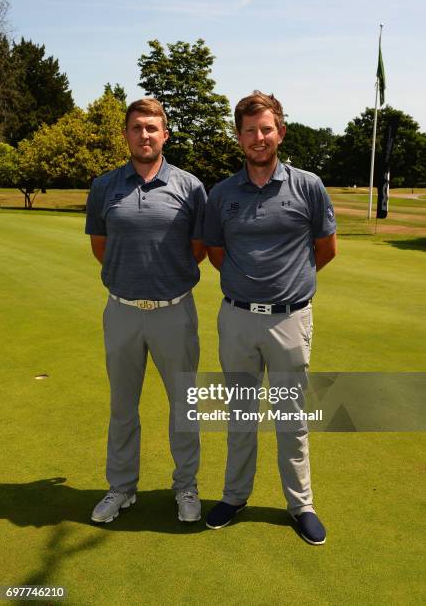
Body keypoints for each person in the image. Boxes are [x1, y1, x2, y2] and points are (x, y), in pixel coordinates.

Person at [203, 91, 336, 545]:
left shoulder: (308, 185)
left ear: (280, 130)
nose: (258, 138)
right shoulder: (221, 193)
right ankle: (235, 495)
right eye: (249, 131)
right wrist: (250, 287)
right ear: (238, 137)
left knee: (290, 417)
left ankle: (301, 504)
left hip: (290, 320)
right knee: (240, 412)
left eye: (266, 129)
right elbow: (217, 254)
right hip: (237, 319)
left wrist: (287, 286)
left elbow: (326, 248)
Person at [85, 98, 207, 523]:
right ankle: (121, 487)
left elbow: (198, 249)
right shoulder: (104, 186)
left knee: (184, 406)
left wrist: (166, 279)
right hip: (121, 311)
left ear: (165, 135)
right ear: (126, 134)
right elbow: (102, 246)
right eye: (137, 128)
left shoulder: (190, 186)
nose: (144, 135)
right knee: (122, 407)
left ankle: (186, 487)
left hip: (175, 311)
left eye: (152, 128)